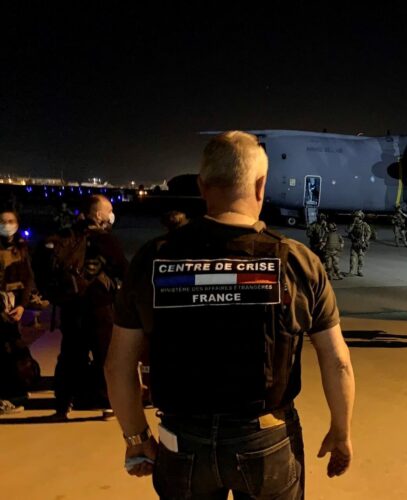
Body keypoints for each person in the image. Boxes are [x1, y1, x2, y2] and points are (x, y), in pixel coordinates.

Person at [105, 131, 354, 498]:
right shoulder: (297, 261)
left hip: (182, 441)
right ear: (260, 185)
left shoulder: (152, 258)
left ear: (203, 186)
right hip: (266, 437)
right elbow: (337, 361)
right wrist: (341, 430)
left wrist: (136, 435)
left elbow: (117, 366)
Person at [39, 195, 128, 420]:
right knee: (104, 356)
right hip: (99, 305)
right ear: (98, 214)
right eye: (108, 210)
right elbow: (123, 269)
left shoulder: (66, 235)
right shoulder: (105, 240)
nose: (111, 214)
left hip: (71, 306)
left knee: (69, 355)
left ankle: (62, 405)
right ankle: (107, 403)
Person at [0, 210, 36, 414]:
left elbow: (28, 278)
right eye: (3, 222)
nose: (7, 225)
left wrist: (22, 305)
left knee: (14, 349)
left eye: (10, 221)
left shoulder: (21, 248)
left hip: (14, 306)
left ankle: (15, 390)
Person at [347, 210, 371, 276]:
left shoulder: (364, 225)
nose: (355, 218)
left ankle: (359, 271)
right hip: (354, 243)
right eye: (354, 217)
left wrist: (365, 241)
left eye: (356, 217)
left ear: (360, 217)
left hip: (361, 243)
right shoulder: (352, 224)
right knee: (352, 258)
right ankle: (351, 271)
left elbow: (369, 233)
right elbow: (348, 231)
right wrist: (353, 224)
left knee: (360, 259)